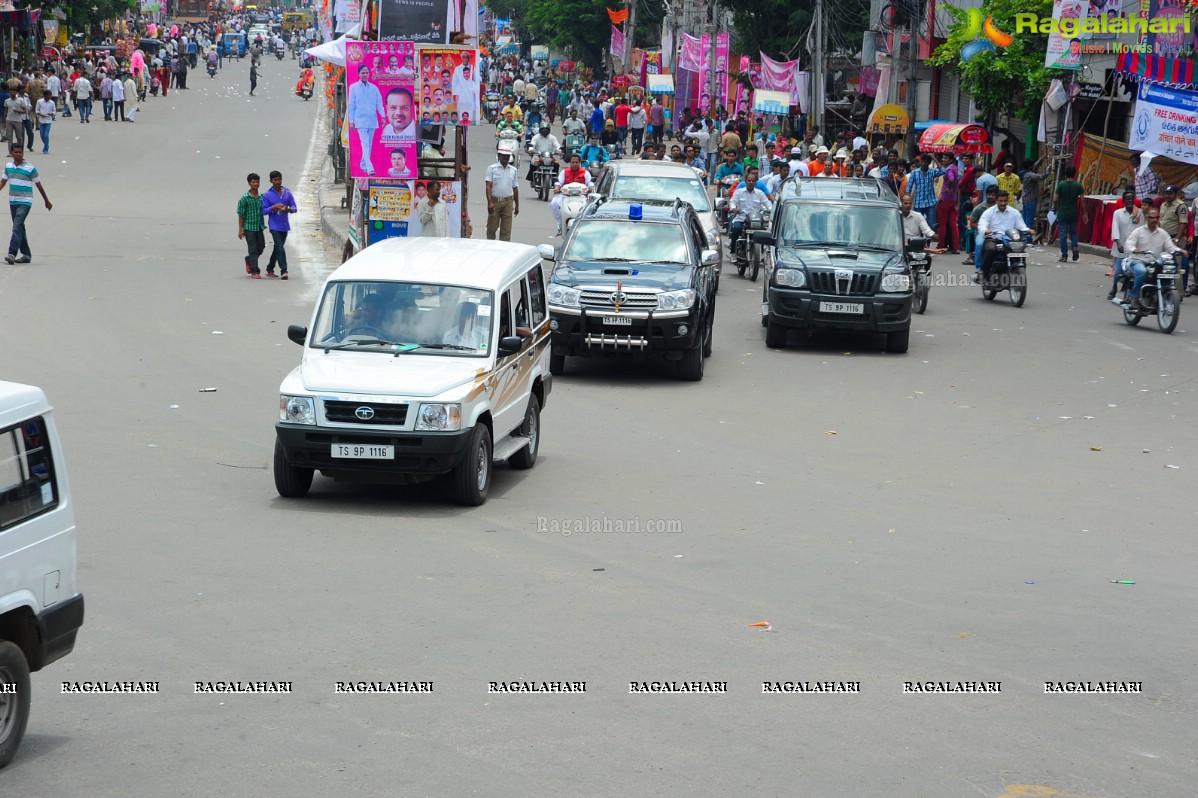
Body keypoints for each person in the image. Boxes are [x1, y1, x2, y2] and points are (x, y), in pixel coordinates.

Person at [0, 143, 52, 265]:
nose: (18, 154)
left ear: (23, 153)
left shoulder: (30, 168)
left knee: (16, 227)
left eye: (20, 152)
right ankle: (26, 254)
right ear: (11, 153)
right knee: (20, 228)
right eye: (16, 152)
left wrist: (46, 200)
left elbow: (39, 186)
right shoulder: (8, 167)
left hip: (25, 202)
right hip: (13, 201)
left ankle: (12, 254)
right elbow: (2, 182)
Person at [1121, 206, 1180, 311]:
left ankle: (1158, 295)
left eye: (1157, 217)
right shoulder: (1138, 231)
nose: (1154, 220)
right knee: (1142, 271)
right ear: (1147, 218)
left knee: (1168, 273)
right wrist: (1135, 249)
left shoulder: (1163, 233)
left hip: (1154, 262)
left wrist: (1180, 250)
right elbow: (1128, 245)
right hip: (1137, 260)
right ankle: (1134, 296)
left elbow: (1170, 247)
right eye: (1152, 217)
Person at [977, 190, 1029, 284]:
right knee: (990, 250)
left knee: (1021, 251)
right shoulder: (989, 212)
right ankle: (985, 274)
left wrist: (1028, 230)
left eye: (1005, 201)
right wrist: (985, 230)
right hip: (994, 239)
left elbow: (1021, 226)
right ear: (996, 201)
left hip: (1010, 240)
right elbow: (982, 224)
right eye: (1001, 201)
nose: (1003, 203)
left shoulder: (1015, 213)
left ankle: (1016, 271)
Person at [347, 65, 384, 175]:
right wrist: (351, 121)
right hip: (360, 120)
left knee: (369, 144)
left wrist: (383, 116)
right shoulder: (353, 88)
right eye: (363, 73)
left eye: (367, 73)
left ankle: (363, 164)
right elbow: (351, 105)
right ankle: (369, 167)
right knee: (365, 143)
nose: (365, 75)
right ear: (359, 74)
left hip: (372, 120)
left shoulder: (374, 88)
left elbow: (379, 103)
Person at [261, 171, 296, 279]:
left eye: (279, 179)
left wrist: (288, 209)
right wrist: (274, 207)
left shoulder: (287, 193)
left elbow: (294, 207)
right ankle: (284, 270)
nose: (277, 182)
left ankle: (270, 268)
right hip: (274, 225)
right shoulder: (267, 195)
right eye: (275, 180)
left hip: (284, 225)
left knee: (278, 247)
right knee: (280, 247)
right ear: (271, 181)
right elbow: (263, 210)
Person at [1109, 188, 1143, 301]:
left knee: (1134, 271)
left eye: (1132, 199)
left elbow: (1142, 230)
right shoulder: (1118, 214)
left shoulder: (1140, 214)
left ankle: (1130, 291)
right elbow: (1115, 229)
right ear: (1123, 201)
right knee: (1118, 272)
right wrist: (1118, 243)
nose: (1130, 201)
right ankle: (1114, 287)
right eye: (1128, 199)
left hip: (1134, 250)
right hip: (1121, 247)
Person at [728, 166, 771, 254]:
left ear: (756, 182)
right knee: (736, 229)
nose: (751, 182)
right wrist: (734, 208)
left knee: (765, 232)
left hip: (756, 220)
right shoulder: (739, 192)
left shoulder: (760, 193)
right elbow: (733, 201)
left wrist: (770, 210)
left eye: (753, 181)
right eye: (749, 180)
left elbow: (768, 204)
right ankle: (733, 253)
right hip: (741, 218)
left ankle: (763, 252)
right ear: (745, 181)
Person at [1156, 183, 1190, 294]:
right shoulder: (1163, 205)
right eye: (1166, 193)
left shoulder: (1181, 205)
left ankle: (1178, 293)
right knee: (1163, 264)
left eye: (1170, 194)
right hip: (1164, 239)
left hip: (1176, 238)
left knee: (1176, 266)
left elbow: (1183, 223)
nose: (1167, 196)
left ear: (1176, 194)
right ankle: (1164, 290)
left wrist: (1177, 240)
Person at [550, 153, 591, 234]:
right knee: (553, 203)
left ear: (580, 162)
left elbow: (589, 183)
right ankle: (560, 225)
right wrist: (556, 188)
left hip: (581, 196)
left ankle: (586, 226)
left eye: (576, 162)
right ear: (570, 163)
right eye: (573, 162)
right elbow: (559, 183)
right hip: (566, 196)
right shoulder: (564, 172)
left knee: (589, 207)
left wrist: (591, 188)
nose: (574, 164)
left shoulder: (585, 172)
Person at [1052, 164, 1086, 262]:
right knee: (1073, 232)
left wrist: (1056, 207)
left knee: (1062, 234)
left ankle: (1064, 255)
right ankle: (1074, 247)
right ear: (1074, 174)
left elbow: (1055, 199)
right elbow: (1083, 200)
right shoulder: (1078, 185)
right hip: (1073, 213)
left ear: (1065, 174)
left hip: (1062, 212)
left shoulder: (1061, 184)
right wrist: (1085, 213)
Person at [236, 172, 266, 278]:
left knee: (261, 247)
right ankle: (255, 271)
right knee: (252, 249)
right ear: (249, 183)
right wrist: (240, 229)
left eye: (257, 181)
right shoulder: (244, 199)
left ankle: (249, 259)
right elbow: (241, 215)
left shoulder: (262, 197)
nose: (256, 184)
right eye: (253, 182)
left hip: (259, 226)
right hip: (248, 227)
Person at [486, 149, 519, 241]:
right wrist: (489, 202)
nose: (505, 158)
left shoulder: (513, 170)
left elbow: (515, 188)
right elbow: (488, 186)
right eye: (503, 155)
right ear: (499, 156)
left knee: (506, 230)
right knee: (491, 228)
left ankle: (504, 249)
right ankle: (490, 247)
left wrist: (517, 205)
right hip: (495, 201)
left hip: (508, 202)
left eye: (507, 156)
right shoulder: (492, 168)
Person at [904, 154, 944, 229]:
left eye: (926, 162)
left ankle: (929, 239)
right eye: (923, 161)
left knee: (932, 225)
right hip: (918, 203)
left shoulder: (932, 172)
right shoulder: (914, 173)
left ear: (929, 163)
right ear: (920, 162)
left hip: (930, 203)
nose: (924, 163)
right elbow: (908, 188)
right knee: (918, 226)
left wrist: (934, 159)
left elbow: (943, 171)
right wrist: (907, 200)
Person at [937, 153, 960, 253]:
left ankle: (940, 246)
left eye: (946, 158)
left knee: (942, 224)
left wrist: (949, 188)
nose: (943, 159)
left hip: (945, 199)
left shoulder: (949, 169)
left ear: (950, 160)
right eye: (943, 157)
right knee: (953, 224)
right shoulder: (955, 168)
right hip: (953, 199)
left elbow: (951, 178)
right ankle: (956, 247)